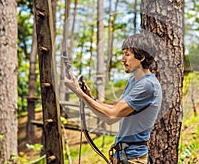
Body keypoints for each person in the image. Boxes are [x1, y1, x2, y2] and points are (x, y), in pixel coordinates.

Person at [65, 34, 162, 164]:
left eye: (127, 54)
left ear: (141, 57)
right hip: (123, 157)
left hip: (133, 159)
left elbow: (112, 113)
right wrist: (89, 97)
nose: (123, 59)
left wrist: (80, 94)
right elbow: (111, 116)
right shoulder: (134, 80)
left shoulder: (147, 85)